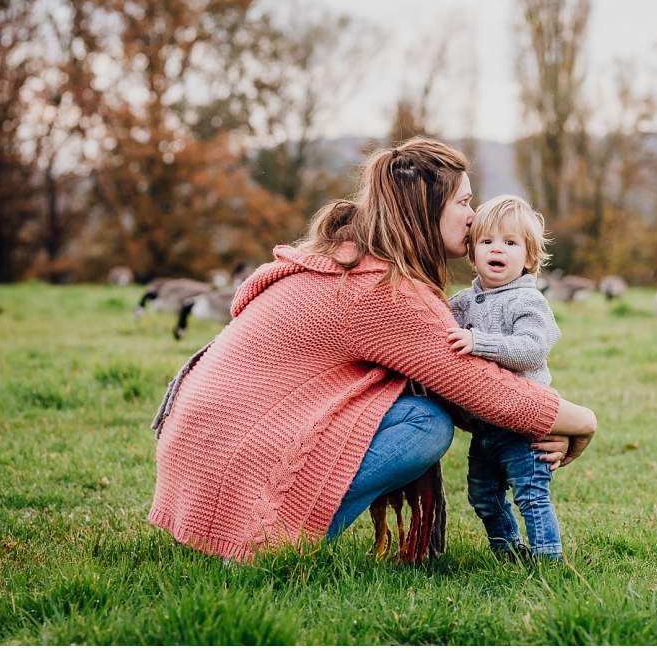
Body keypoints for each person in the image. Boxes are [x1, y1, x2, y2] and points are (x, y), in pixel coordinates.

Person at [148, 138, 597, 561]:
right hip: (231, 460)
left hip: (203, 450)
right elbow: (480, 387)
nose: (473, 216)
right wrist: (582, 422)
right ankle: (275, 540)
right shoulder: (384, 290)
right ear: (426, 210)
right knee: (426, 423)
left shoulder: (348, 256)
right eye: (463, 202)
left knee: (413, 400)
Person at [447, 195, 565, 560]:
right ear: (472, 253)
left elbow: (531, 348)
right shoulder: (463, 302)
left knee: (530, 493)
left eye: (510, 243)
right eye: (487, 241)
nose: (497, 249)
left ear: (529, 258)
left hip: (522, 424)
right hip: (483, 429)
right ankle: (506, 548)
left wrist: (479, 342)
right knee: (482, 495)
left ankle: (548, 558)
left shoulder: (528, 302)